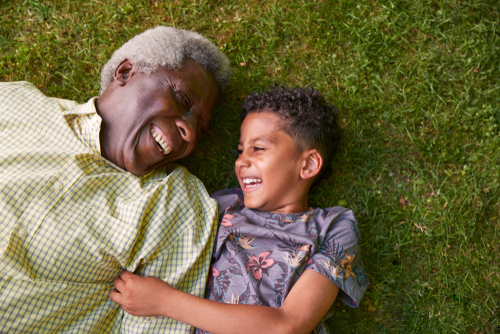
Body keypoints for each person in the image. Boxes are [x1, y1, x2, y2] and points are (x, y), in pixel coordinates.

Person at [0, 26, 231, 333]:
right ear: (125, 72)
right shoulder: (16, 103)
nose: (189, 133)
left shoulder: (172, 204)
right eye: (180, 97)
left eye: (199, 129)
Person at [110, 86, 369, 334]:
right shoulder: (223, 207)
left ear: (309, 164)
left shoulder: (335, 228)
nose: (241, 161)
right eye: (240, 150)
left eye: (258, 148)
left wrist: (164, 302)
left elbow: (288, 325)